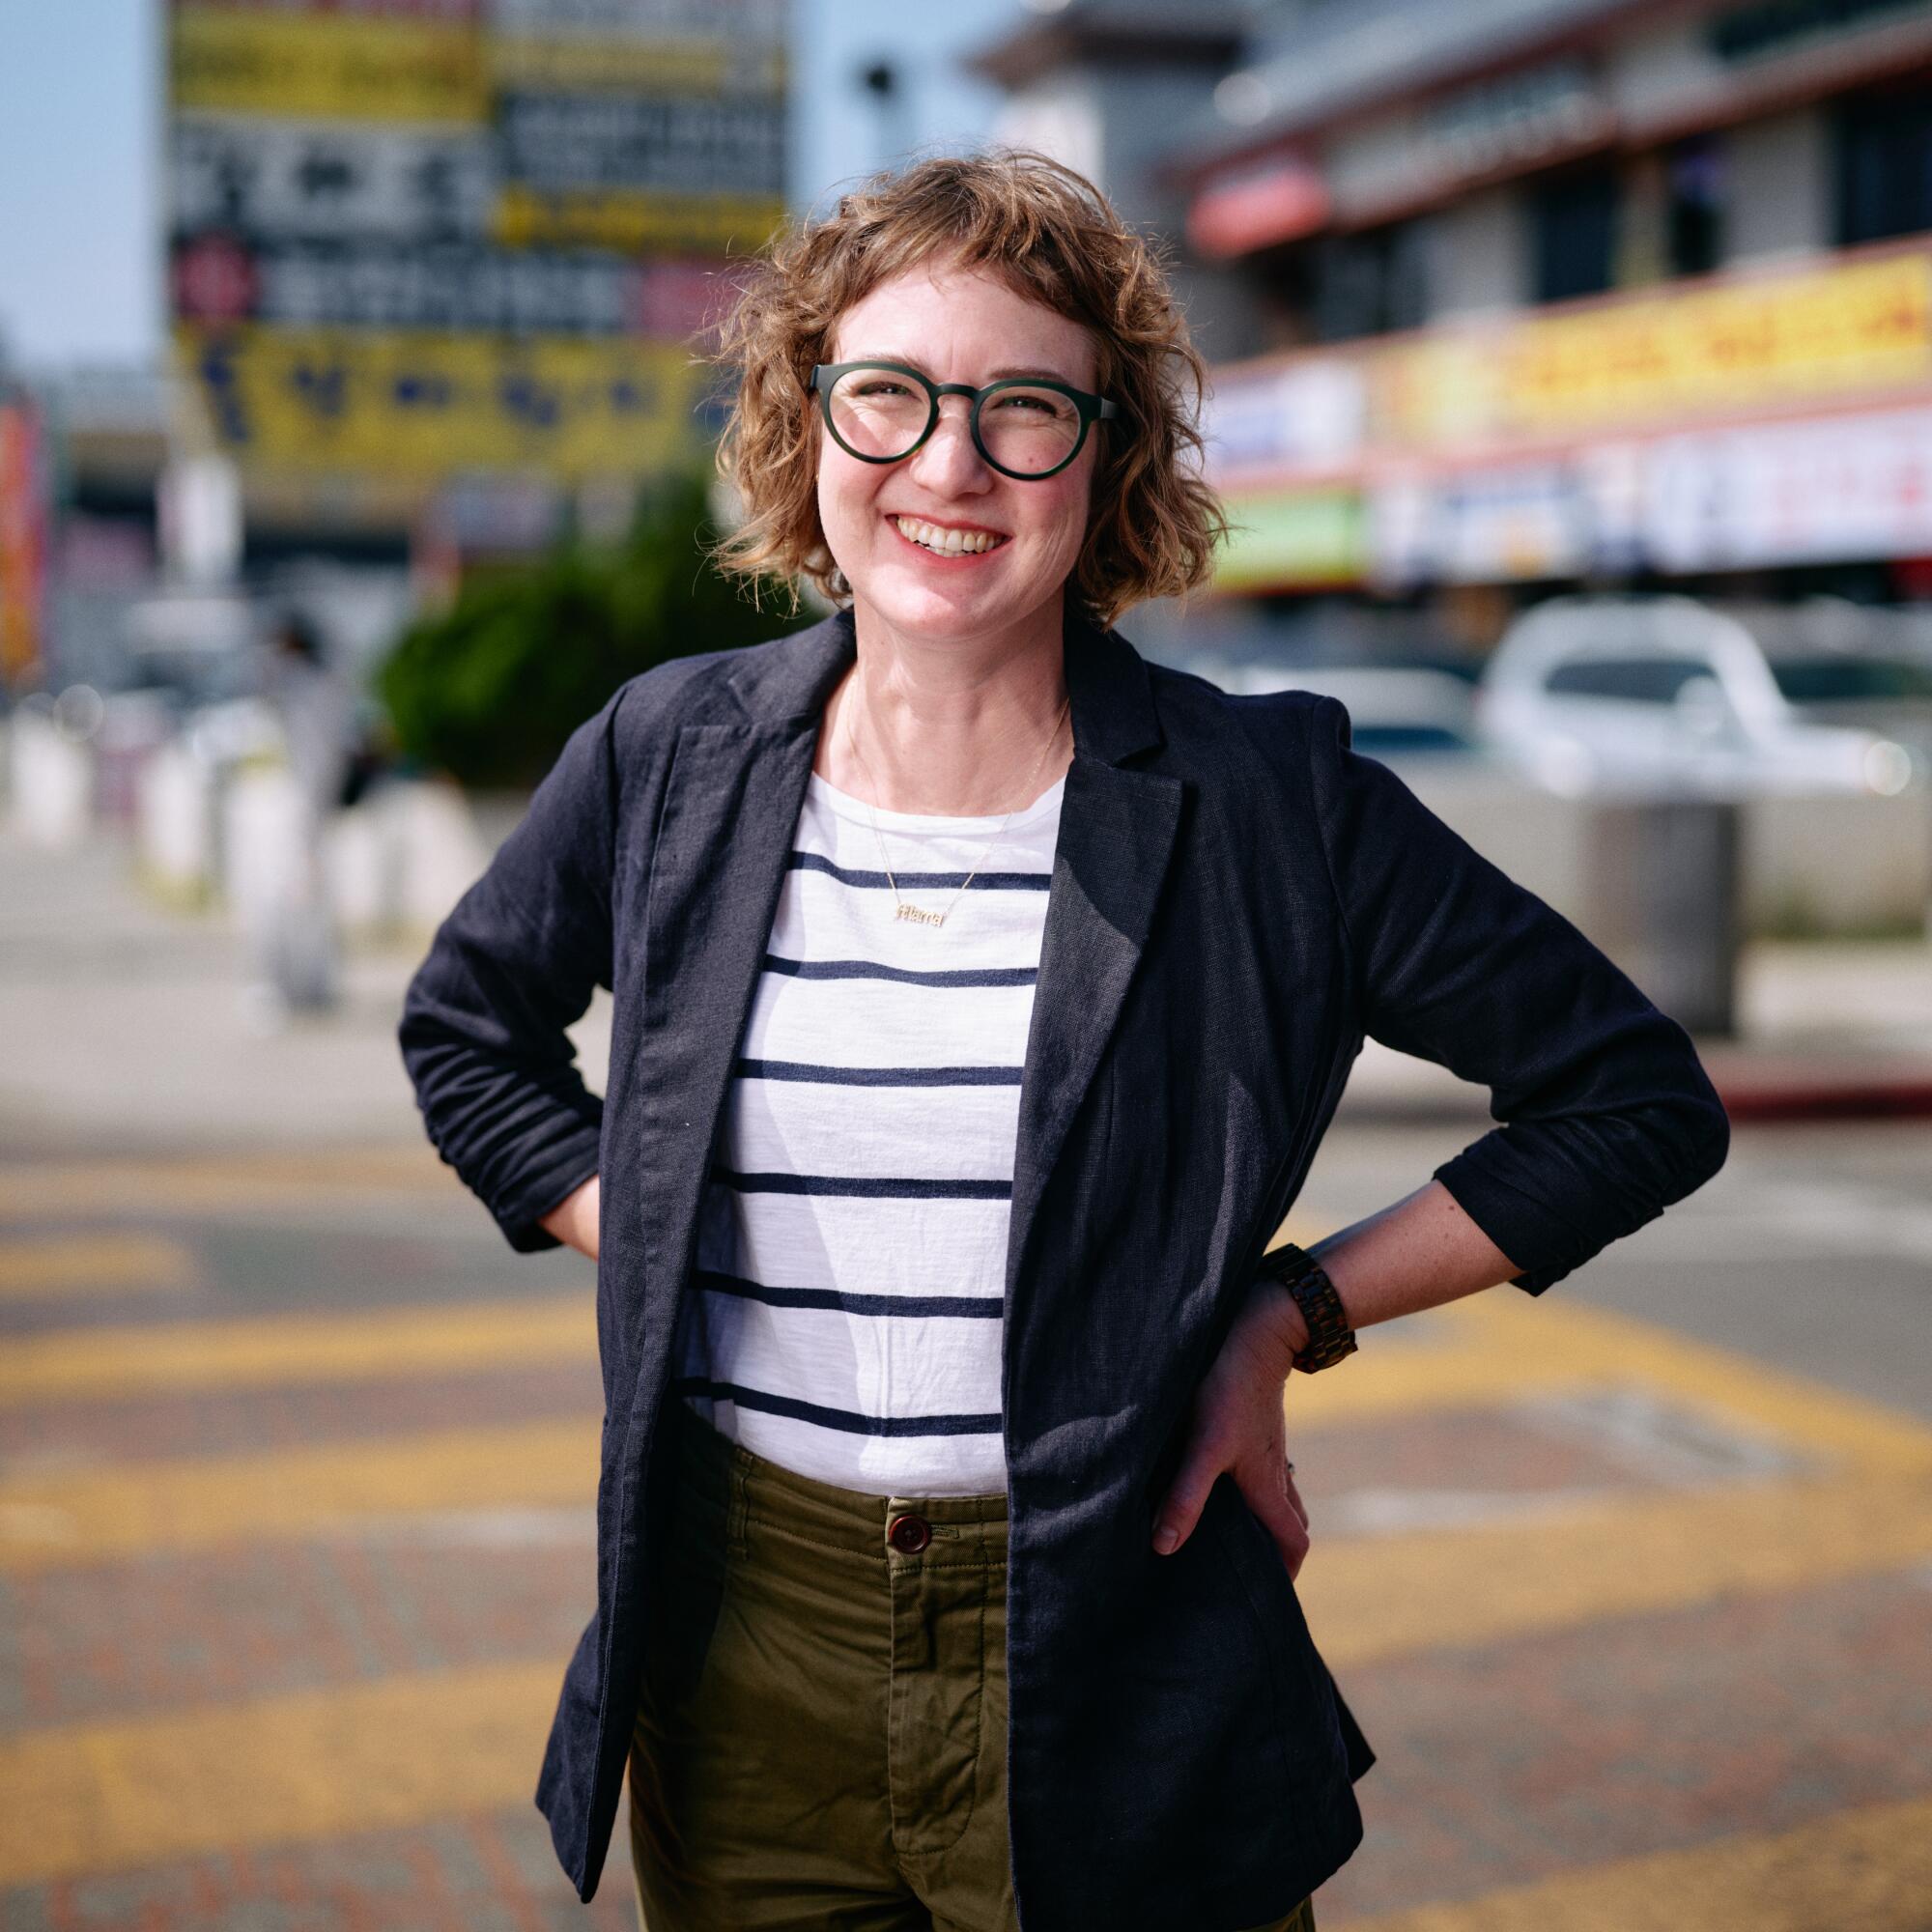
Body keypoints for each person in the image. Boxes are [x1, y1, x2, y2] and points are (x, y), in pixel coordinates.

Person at [398, 152, 1730, 1932]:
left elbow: (1634, 1102)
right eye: (889, 396)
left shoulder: (1280, 804)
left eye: (1023, 407)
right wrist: (634, 1217)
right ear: (808, 423)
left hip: (1124, 1645)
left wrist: (1293, 1309)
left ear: (1103, 461)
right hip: (741, 1657)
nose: (948, 465)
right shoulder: (670, 755)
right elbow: (467, 1035)